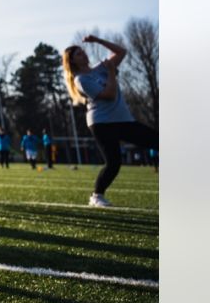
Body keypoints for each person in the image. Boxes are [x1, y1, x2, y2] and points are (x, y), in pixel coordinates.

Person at [64, 35, 159, 208]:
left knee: (157, 140)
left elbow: (122, 51)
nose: (83, 54)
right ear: (72, 62)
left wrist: (98, 41)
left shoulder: (100, 68)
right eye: (78, 54)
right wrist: (111, 74)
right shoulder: (81, 80)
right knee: (114, 163)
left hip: (123, 119)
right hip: (102, 123)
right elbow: (109, 95)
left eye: (82, 51)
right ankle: (96, 196)